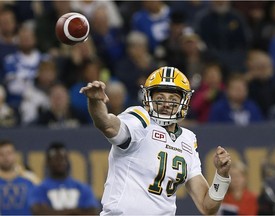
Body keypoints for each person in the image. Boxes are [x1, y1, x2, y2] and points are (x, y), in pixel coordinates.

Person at [80, 66, 232, 215]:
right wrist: (95, 103)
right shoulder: (140, 119)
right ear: (148, 99)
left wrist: (221, 175)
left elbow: (208, 207)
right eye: (160, 98)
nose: (166, 104)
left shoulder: (188, 139)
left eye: (173, 99)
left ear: (184, 102)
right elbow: (107, 125)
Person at [29, 142, 101, 215]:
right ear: (48, 162)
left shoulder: (82, 188)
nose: (61, 162)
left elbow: (92, 213)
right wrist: (75, 211)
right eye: (56, 159)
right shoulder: (39, 189)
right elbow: (39, 213)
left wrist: (54, 212)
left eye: (64, 158)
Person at [0, 139, 40, 215]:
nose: (6, 158)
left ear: (15, 155)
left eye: (9, 153)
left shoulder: (30, 178)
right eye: (1, 154)